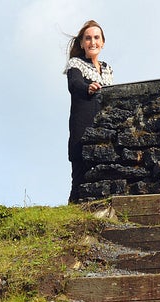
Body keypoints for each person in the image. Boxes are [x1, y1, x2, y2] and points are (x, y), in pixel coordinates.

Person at [64, 20, 114, 203]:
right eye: (88, 38)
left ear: (102, 42)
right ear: (81, 43)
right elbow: (74, 84)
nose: (92, 42)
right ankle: (72, 216)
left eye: (96, 37)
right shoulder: (75, 64)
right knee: (79, 176)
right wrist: (88, 88)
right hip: (82, 126)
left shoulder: (108, 69)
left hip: (104, 128)